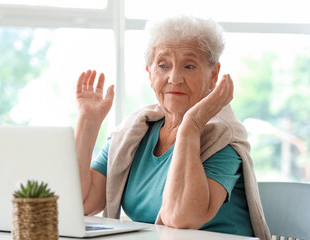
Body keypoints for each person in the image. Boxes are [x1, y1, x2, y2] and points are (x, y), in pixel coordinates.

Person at [75, 15, 270, 240]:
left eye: (189, 66)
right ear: (150, 74)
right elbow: (82, 202)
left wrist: (190, 126)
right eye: (163, 65)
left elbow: (181, 218)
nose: (174, 78)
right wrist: (89, 122)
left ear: (213, 75)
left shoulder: (223, 136)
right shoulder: (134, 131)